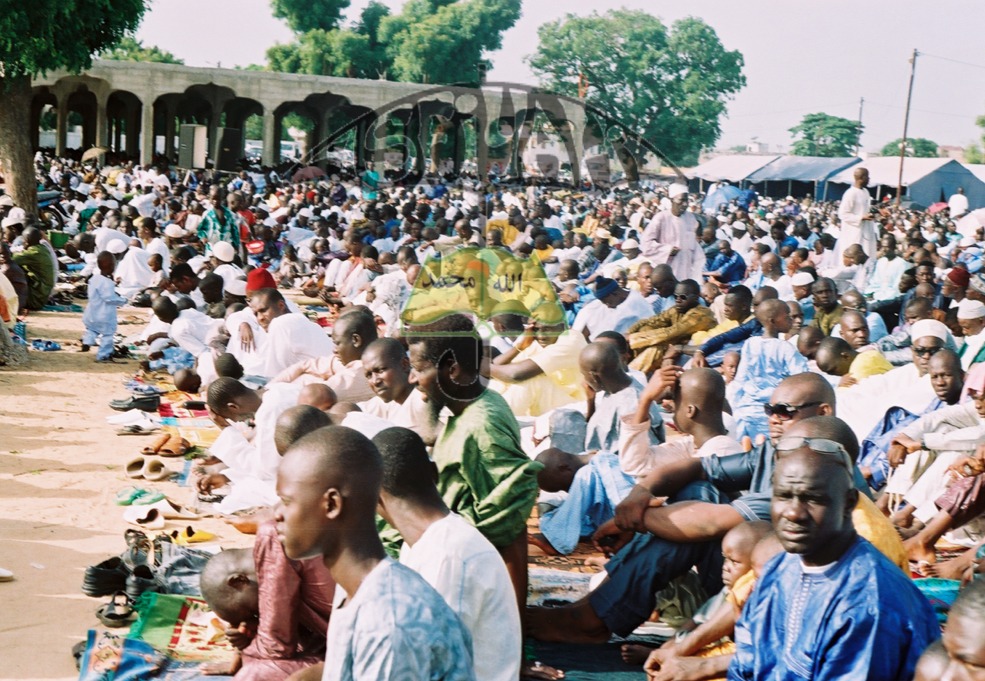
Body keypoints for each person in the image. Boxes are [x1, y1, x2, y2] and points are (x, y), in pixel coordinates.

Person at [728, 422, 939, 680]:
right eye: (783, 496)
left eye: (813, 499)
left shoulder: (870, 602)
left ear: (849, 503)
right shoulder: (778, 569)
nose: (793, 512)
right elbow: (745, 663)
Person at [274, 426, 475, 680]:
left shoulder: (389, 622)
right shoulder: (357, 585)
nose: (276, 513)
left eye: (287, 501)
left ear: (332, 504)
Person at [406, 314, 541, 616]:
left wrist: (514, 639)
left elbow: (512, 528)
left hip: (454, 565)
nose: (412, 379)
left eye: (418, 370)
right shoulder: (476, 404)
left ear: (452, 370)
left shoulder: (483, 427)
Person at [373, 427, 522, 681]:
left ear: (373, 495)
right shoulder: (423, 544)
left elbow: (433, 667)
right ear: (435, 472)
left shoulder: (446, 553)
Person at [199, 536, 334, 680]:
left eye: (252, 612)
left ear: (238, 580)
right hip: (341, 640)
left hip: (356, 649)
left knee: (253, 674)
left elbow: (277, 647)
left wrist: (246, 653)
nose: (258, 617)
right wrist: (250, 640)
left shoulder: (274, 554)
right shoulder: (274, 547)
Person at [729, 299, 809, 440]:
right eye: (787, 316)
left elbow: (740, 380)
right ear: (772, 321)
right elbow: (803, 378)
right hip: (771, 415)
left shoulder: (750, 344)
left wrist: (734, 407)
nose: (791, 319)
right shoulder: (786, 348)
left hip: (745, 412)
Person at [626, 279, 717, 374]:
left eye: (683, 297)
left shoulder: (701, 315)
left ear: (695, 298)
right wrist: (629, 333)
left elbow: (672, 332)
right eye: (675, 296)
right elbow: (652, 321)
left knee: (656, 349)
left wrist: (632, 338)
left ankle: (630, 377)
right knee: (645, 329)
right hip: (676, 349)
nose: (678, 300)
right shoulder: (678, 309)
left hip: (693, 353)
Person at [357, 338, 436, 444]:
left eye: (380, 370)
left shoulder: (422, 398)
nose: (375, 381)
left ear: (404, 364)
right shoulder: (382, 404)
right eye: (369, 375)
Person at [250, 289, 335, 379]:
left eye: (263, 310)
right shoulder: (307, 322)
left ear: (281, 305)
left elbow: (274, 375)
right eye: (256, 314)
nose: (260, 318)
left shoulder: (279, 323)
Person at [641, 184, 704, 282]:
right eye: (681, 200)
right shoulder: (661, 218)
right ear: (671, 200)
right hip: (667, 270)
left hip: (686, 270)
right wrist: (667, 250)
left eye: (686, 200)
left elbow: (694, 245)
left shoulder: (690, 218)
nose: (684, 204)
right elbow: (645, 244)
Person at [81, 251, 127, 363]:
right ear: (112, 266)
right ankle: (103, 355)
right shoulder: (107, 282)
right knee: (107, 335)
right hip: (104, 315)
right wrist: (123, 300)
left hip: (91, 313)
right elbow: (109, 298)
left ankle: (87, 342)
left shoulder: (94, 279)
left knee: (92, 329)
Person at [836, 166, 878, 258]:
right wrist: (860, 217)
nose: (869, 179)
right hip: (854, 232)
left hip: (866, 229)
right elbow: (842, 214)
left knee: (867, 254)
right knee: (855, 256)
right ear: (861, 178)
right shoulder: (850, 193)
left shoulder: (866, 191)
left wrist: (878, 211)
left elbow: (866, 208)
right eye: (867, 177)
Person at [814, 336, 892, 386]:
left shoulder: (861, 366)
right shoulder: (871, 354)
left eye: (833, 370)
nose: (834, 375)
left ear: (846, 356)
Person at [11, 227, 55, 310]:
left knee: (11, 270)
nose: (23, 242)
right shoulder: (42, 248)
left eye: (23, 239)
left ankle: (16, 301)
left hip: (36, 299)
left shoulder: (34, 253)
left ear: (27, 240)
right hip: (42, 295)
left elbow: (10, 259)